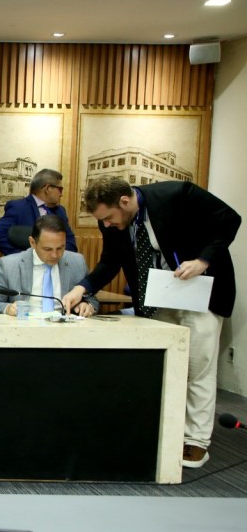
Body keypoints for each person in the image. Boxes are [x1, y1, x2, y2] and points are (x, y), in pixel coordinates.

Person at [60, 176, 241, 469]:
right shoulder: (112, 221)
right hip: (158, 295)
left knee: (198, 367)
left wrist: (203, 260)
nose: (106, 224)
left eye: (108, 218)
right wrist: (82, 288)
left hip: (201, 291)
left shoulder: (177, 194)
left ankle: (196, 442)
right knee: (165, 365)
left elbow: (230, 220)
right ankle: (167, 430)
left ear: (125, 201)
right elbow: (110, 261)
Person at [0, 214, 98, 316]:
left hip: (64, 327)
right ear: (32, 242)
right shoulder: (9, 265)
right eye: (48, 249)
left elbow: (91, 298)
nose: (55, 255)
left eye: (60, 248)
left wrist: (87, 305)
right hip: (24, 326)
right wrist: (8, 308)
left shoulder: (77, 262)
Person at [0, 169, 78, 256]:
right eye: (60, 189)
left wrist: (56, 256)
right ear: (47, 188)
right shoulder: (18, 207)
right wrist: (23, 257)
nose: (61, 194)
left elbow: (70, 242)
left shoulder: (60, 211)